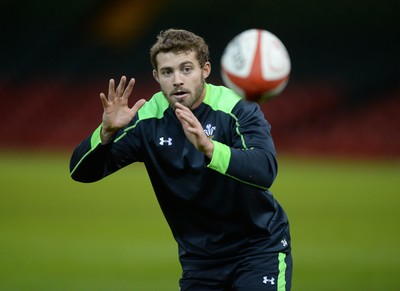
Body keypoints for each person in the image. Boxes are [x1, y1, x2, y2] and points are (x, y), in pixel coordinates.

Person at [70, 28, 292, 291]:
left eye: (186, 69)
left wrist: (210, 148)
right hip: (199, 262)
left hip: (258, 249)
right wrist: (105, 133)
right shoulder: (147, 119)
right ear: (156, 76)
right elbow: (80, 172)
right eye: (167, 72)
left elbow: (265, 169)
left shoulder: (237, 108)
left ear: (205, 70)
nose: (177, 80)